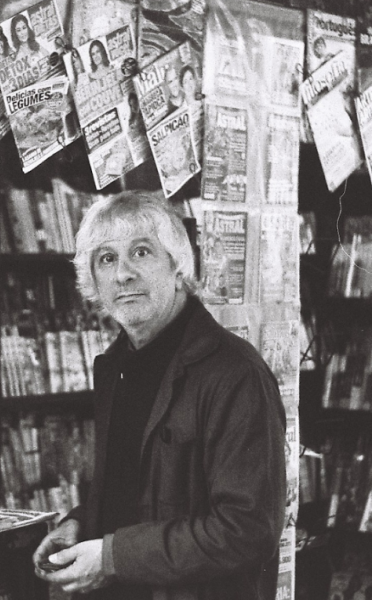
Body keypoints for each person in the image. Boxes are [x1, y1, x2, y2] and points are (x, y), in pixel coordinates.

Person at [33, 193, 286, 600]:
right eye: (106, 259)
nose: (123, 274)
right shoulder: (116, 366)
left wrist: (112, 557)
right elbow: (134, 491)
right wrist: (82, 524)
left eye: (141, 251)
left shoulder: (235, 374)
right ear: (93, 281)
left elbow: (247, 530)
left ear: (176, 265)